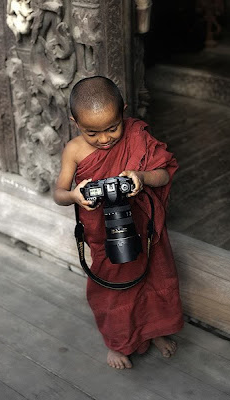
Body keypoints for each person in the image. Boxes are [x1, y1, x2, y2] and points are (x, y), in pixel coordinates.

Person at [53, 76, 184, 369]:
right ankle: (117, 343)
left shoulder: (138, 135)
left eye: (113, 128)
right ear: (75, 123)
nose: (105, 139)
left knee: (155, 278)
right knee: (113, 291)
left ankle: (156, 332)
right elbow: (58, 193)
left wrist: (140, 176)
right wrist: (74, 195)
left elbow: (163, 174)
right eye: (92, 133)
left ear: (123, 111)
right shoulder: (74, 151)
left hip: (144, 228)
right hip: (104, 237)